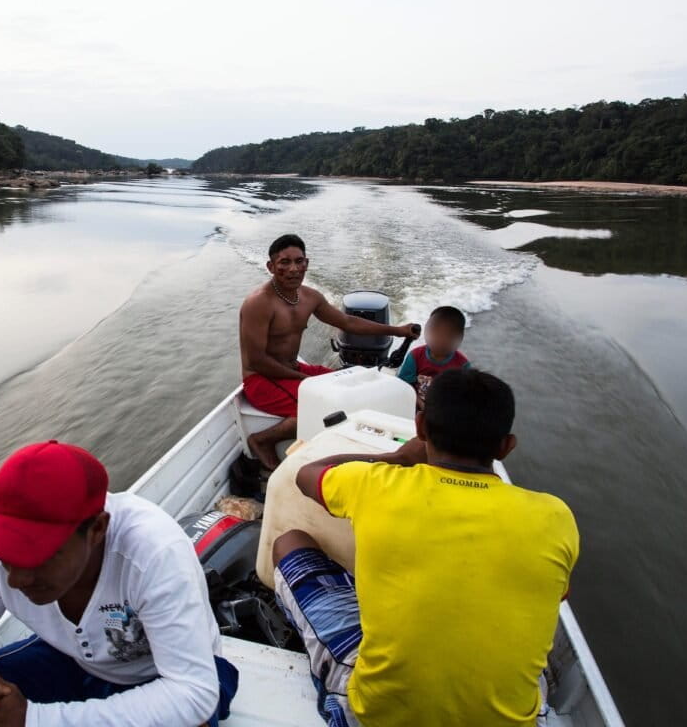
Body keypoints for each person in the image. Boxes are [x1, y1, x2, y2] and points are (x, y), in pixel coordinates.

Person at [272, 369, 578, 727]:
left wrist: (398, 459)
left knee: (289, 543)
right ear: (506, 446)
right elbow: (555, 596)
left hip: (378, 715)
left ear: (420, 427)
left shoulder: (376, 485)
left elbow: (307, 474)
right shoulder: (555, 517)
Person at [0, 441, 238, 727]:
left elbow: (192, 692)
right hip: (74, 660)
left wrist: (33, 720)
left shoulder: (154, 552)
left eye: (37, 555)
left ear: (97, 529)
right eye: (7, 558)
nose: (15, 579)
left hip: (162, 676)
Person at [239, 233, 416, 470]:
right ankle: (262, 441)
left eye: (299, 261)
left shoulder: (309, 297)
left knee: (353, 385)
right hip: (262, 381)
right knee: (323, 405)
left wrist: (397, 330)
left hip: (292, 370)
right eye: (284, 262)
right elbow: (256, 360)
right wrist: (305, 380)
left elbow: (348, 323)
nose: (293, 269)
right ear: (271, 267)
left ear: (307, 263)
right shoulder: (259, 303)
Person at [397, 305, 471, 412]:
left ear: (460, 337)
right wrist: (421, 404)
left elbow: (463, 396)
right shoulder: (415, 356)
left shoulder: (463, 365)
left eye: (449, 335)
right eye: (434, 333)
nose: (440, 340)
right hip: (415, 407)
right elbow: (405, 386)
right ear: (426, 331)